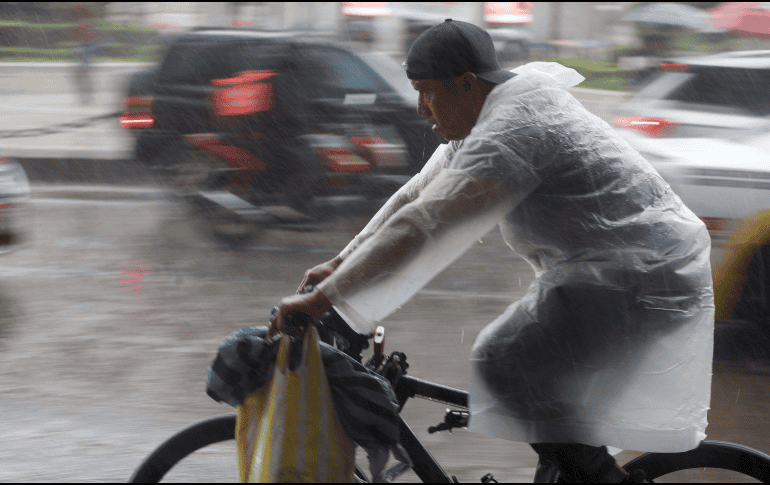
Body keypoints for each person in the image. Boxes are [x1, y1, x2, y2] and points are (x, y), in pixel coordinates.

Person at [268, 19, 714, 483]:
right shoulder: (487, 112)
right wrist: (340, 265)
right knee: (549, 416)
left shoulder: (515, 128)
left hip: (643, 274)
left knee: (504, 359)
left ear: (466, 84)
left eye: (426, 91)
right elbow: (417, 196)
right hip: (610, 272)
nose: (419, 108)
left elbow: (429, 221)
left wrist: (325, 298)